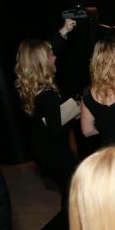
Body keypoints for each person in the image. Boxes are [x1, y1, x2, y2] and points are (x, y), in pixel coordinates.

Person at [14, 22, 79, 209]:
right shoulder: (48, 95)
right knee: (72, 196)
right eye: (50, 55)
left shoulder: (28, 88)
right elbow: (57, 133)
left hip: (42, 152)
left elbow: (45, 122)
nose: (55, 56)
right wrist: (74, 113)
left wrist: (64, 30)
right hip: (57, 155)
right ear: (41, 63)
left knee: (67, 192)